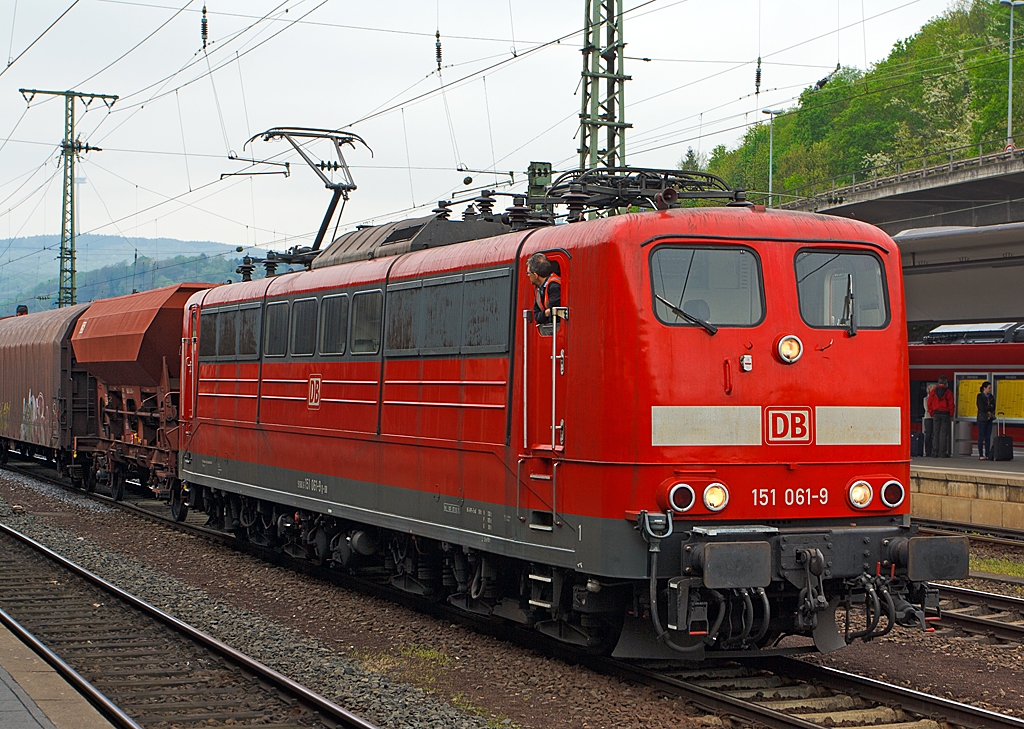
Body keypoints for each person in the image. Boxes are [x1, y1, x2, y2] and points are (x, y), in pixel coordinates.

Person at [527, 252, 561, 326]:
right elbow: (536, 316)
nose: (528, 275)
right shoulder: (537, 289)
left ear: (535, 275)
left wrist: (545, 314)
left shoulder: (554, 286)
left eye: (528, 273)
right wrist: (546, 313)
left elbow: (555, 313)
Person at [927, 376, 955, 458]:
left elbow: (929, 403)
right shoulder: (948, 392)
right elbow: (951, 404)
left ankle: (935, 452)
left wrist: (932, 413)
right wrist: (951, 414)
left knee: (936, 433)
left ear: (938, 382)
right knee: (943, 433)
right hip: (945, 414)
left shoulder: (933, 392)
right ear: (946, 383)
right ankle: (942, 452)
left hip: (936, 414)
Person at [976, 381, 996, 460]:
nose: (990, 390)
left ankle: (988, 454)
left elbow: (993, 407)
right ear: (984, 388)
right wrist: (989, 406)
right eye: (989, 388)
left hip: (989, 419)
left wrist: (989, 407)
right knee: (981, 436)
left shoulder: (991, 397)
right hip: (982, 419)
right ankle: (981, 454)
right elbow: (981, 408)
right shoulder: (980, 396)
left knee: (988, 437)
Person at [922, 383, 935, 457]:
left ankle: (934, 450)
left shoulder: (936, 398)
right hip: (928, 417)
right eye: (931, 388)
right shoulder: (925, 399)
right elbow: (926, 408)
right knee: (928, 434)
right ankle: (928, 451)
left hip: (934, 417)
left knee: (934, 434)